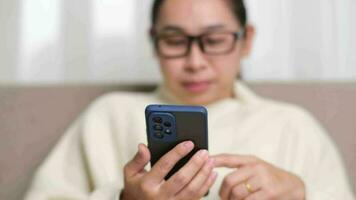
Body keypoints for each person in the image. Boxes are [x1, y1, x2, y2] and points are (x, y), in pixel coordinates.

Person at [25, 0, 355, 199]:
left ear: (246, 40)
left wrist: (301, 193)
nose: (195, 61)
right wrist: (124, 199)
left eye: (214, 40)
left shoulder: (292, 124)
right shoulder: (108, 114)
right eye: (175, 40)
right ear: (154, 42)